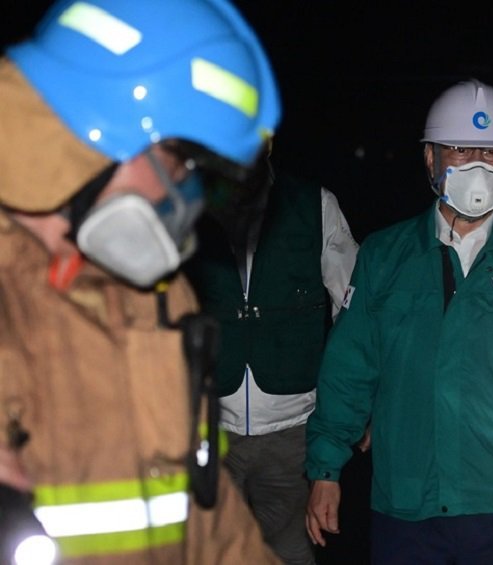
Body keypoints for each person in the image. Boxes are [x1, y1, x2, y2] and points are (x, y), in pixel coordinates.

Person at [0, 1, 283, 563]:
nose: (182, 196)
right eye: (179, 162)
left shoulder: (155, 296)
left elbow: (211, 516)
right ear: (97, 130)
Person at [305, 78, 493, 564]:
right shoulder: (385, 255)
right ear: (431, 158)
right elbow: (350, 367)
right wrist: (325, 468)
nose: (480, 166)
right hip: (406, 502)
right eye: (462, 150)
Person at [184, 147, 359, 564]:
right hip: (208, 425)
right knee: (207, 553)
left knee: (288, 551)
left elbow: (354, 311)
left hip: (293, 428)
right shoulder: (182, 202)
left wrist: (354, 409)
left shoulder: (315, 204)